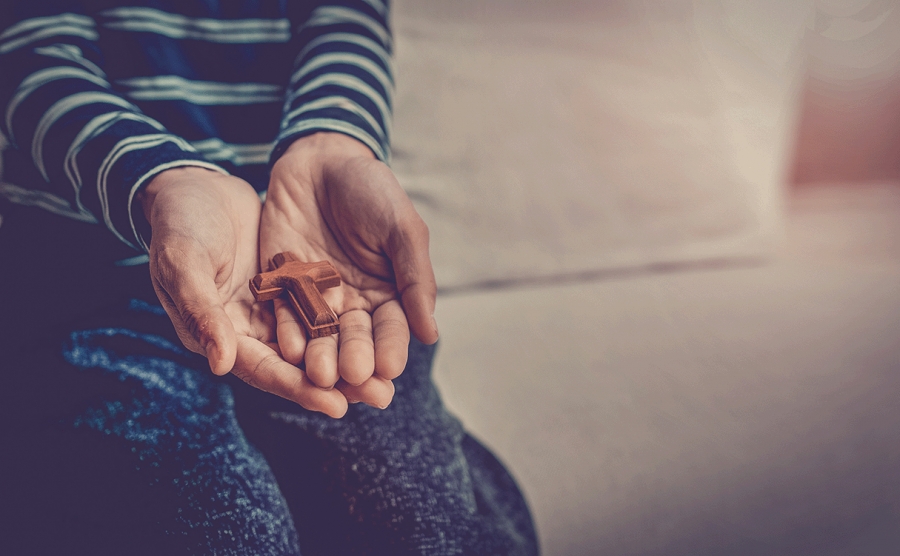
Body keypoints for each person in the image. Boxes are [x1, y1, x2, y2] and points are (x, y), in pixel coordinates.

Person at [0, 1, 539, 554]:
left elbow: (346, 24)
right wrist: (161, 181)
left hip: (303, 250)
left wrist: (334, 140)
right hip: (93, 287)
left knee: (415, 520)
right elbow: (30, 60)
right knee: (225, 534)